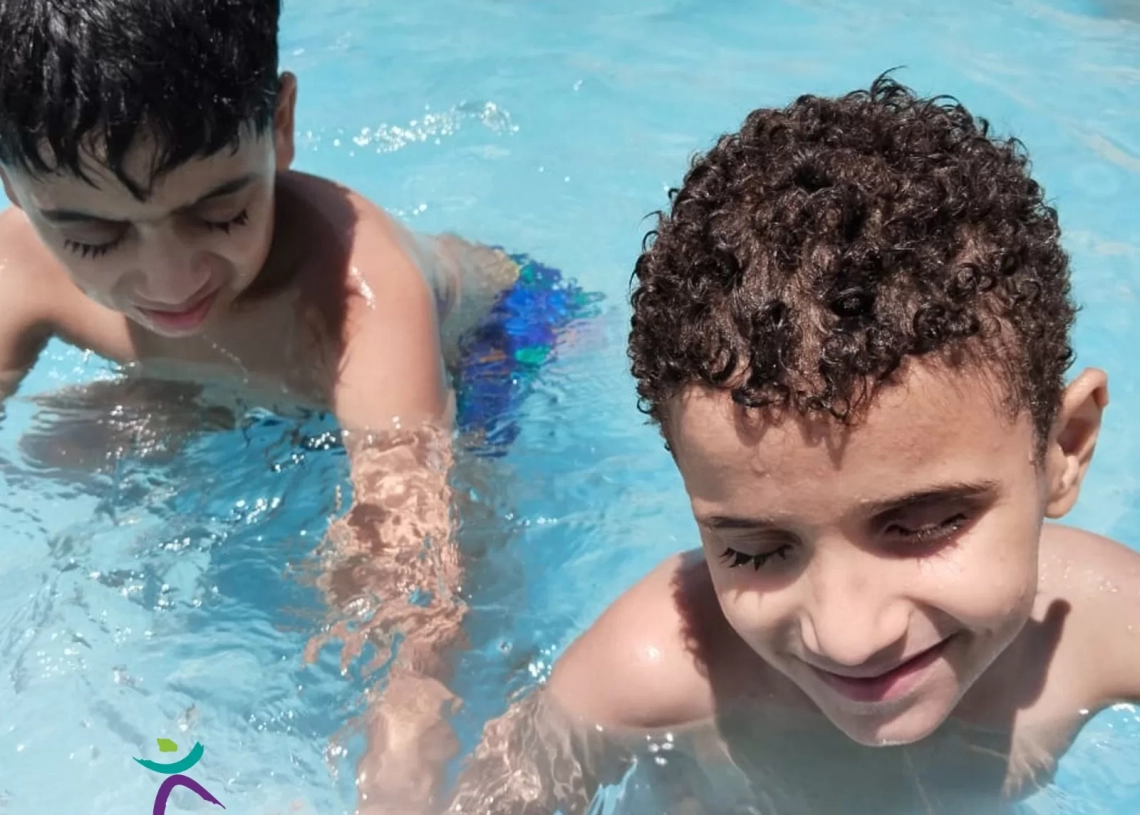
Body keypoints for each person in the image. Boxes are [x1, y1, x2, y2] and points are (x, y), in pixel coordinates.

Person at [438, 74, 1140, 814]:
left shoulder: (1110, 627)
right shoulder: (646, 675)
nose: (848, 637)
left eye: (925, 524)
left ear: (1064, 448)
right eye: (753, 551)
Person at [0, 1, 591, 810]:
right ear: (13, 185)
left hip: (493, 348)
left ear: (280, 126)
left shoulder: (358, 294)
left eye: (222, 213)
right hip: (261, 389)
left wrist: (403, 764)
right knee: (63, 445)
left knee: (393, 578)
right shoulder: (20, 269)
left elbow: (414, 584)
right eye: (94, 239)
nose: (169, 281)